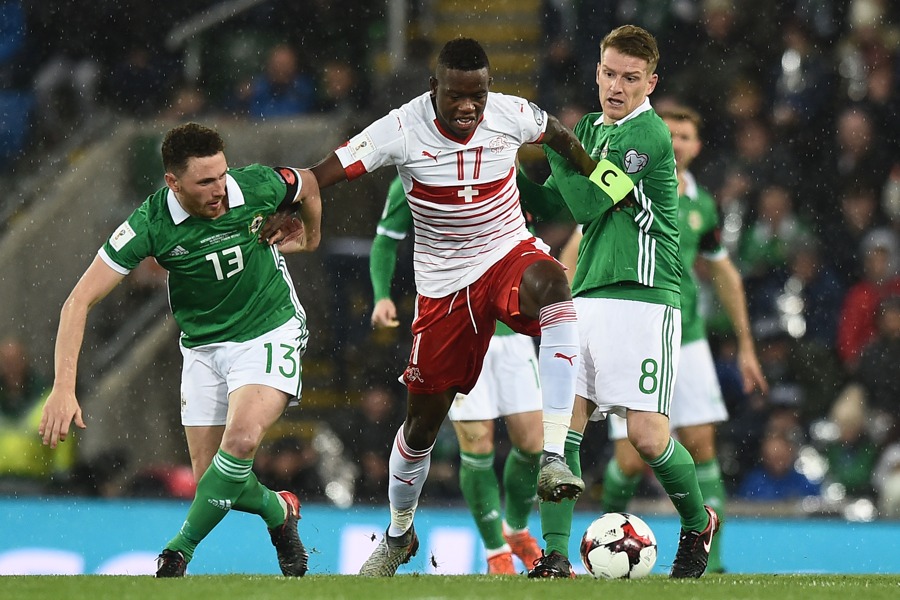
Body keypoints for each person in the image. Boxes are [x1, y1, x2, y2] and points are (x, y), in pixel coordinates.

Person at [263, 37, 596, 577]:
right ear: (433, 88)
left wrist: (596, 174)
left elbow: (556, 132)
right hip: (444, 289)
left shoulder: (510, 112)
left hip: (507, 251)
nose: (469, 107)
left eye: (478, 96)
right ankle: (399, 534)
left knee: (557, 289)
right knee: (421, 427)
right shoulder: (401, 127)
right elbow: (332, 167)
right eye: (457, 96)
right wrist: (287, 195)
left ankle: (553, 455)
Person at [38, 122, 322, 578]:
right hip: (204, 349)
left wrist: (311, 235)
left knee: (243, 441)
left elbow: (308, 181)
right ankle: (277, 511)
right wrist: (63, 387)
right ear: (173, 182)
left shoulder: (253, 184)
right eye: (205, 182)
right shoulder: (149, 223)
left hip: (269, 329)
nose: (220, 190)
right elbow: (78, 300)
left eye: (222, 175)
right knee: (213, 480)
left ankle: (176, 552)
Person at [516, 25, 719, 579]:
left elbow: (582, 204)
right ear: (597, 72)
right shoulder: (587, 130)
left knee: (648, 437)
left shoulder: (649, 135)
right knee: (563, 428)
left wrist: (553, 142)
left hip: (645, 296)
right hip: (586, 296)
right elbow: (552, 196)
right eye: (609, 74)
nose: (616, 86)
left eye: (630, 78)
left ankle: (699, 523)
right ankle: (554, 556)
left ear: (650, 82)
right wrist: (506, 169)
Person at [567, 105, 768, 574]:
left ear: (697, 146)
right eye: (671, 134)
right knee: (633, 456)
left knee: (700, 443)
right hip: (624, 324)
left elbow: (724, 274)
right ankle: (607, 538)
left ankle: (709, 560)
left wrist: (745, 344)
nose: (677, 143)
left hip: (687, 335)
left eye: (686, 135)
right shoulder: (625, 181)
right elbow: (576, 250)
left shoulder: (702, 205)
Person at [369, 176, 544, 574]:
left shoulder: (508, 176)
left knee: (533, 444)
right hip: (458, 329)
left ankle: (517, 528)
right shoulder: (413, 180)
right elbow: (385, 239)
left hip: (515, 332)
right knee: (477, 445)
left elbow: (542, 219)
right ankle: (496, 550)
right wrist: (381, 294)